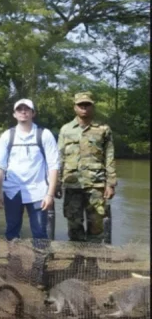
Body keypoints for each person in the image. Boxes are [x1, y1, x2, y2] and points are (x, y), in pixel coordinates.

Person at [0, 98, 60, 286]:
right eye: (19, 109)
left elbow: (54, 166)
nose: (23, 112)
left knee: (39, 232)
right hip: (12, 191)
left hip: (39, 192)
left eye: (27, 109)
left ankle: (39, 272)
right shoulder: (7, 136)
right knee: (12, 230)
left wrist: (50, 194)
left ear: (33, 113)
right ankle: (15, 267)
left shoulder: (44, 134)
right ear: (14, 114)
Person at [57, 91, 115, 272]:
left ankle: (92, 264)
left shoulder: (103, 129)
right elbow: (59, 157)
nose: (84, 108)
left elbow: (110, 157)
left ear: (92, 106)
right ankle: (77, 261)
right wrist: (57, 182)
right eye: (80, 105)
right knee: (74, 225)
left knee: (96, 226)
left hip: (96, 185)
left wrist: (110, 183)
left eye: (87, 104)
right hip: (72, 184)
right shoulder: (65, 130)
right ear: (74, 107)